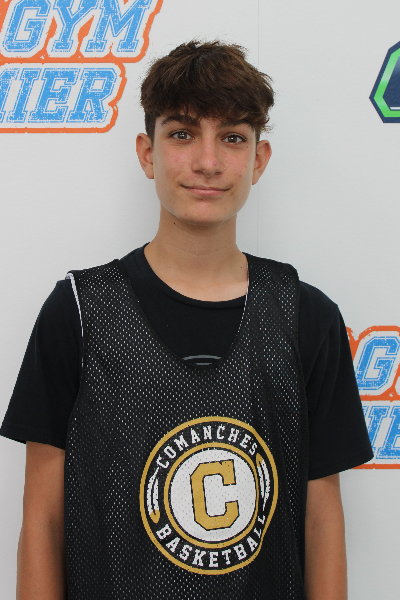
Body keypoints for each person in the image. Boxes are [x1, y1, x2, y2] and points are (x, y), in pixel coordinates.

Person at [1, 40, 373, 600]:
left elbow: (322, 520)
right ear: (147, 153)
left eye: (232, 137)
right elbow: (42, 520)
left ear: (259, 160)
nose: (207, 162)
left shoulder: (307, 317)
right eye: (182, 134)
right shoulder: (77, 311)